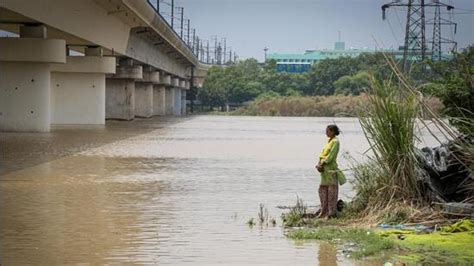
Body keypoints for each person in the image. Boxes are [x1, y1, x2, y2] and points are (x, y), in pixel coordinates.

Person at [315, 125, 346, 218]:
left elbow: (331, 156)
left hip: (330, 169)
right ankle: (323, 212)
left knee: (332, 192)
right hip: (324, 171)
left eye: (328, 131)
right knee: (322, 190)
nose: (326, 133)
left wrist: (323, 163)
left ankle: (331, 214)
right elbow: (323, 155)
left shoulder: (336, 142)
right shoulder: (329, 141)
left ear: (333, 132)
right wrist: (318, 164)